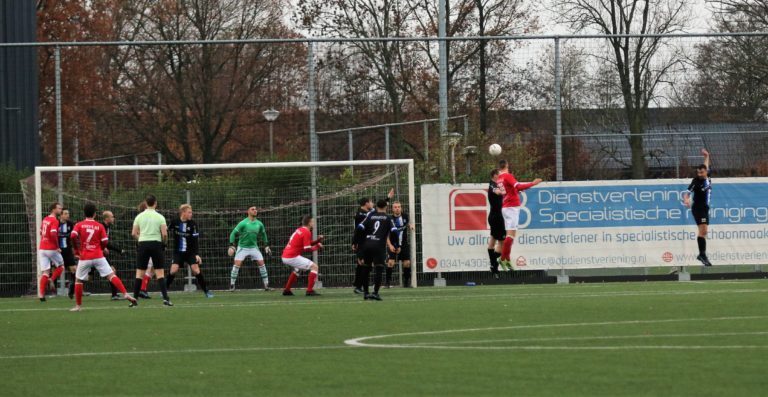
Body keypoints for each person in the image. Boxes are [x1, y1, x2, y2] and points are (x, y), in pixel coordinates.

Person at [69, 203, 136, 311]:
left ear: (84, 213)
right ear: (95, 214)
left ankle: (78, 306)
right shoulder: (99, 226)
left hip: (85, 256)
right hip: (98, 255)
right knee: (111, 275)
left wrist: (77, 250)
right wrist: (100, 248)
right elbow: (105, 241)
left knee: (78, 280)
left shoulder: (79, 224)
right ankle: (125, 294)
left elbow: (72, 236)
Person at [496, 160, 542, 270]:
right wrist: (533, 183)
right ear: (507, 165)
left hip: (506, 207)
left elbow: (507, 191)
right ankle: (502, 259)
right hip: (511, 208)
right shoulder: (508, 176)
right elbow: (518, 186)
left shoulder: (499, 178)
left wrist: (515, 193)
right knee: (510, 236)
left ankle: (506, 259)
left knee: (510, 235)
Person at [354, 199, 399, 301]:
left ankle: (366, 293)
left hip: (367, 244)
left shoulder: (370, 216)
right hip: (379, 246)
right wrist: (396, 245)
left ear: (377, 207)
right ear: (386, 207)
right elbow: (394, 231)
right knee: (378, 269)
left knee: (366, 268)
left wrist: (356, 242)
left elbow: (360, 227)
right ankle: (375, 293)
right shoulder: (388, 218)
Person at [131, 194, 171, 307]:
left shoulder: (139, 216)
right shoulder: (160, 217)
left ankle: (134, 300)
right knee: (159, 273)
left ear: (146, 203)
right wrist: (164, 243)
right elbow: (164, 234)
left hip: (143, 244)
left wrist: (141, 239)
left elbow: (133, 233)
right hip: (156, 244)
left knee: (139, 273)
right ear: (155, 203)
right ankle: (166, 299)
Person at [167, 204, 213, 298]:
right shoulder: (174, 222)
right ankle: (164, 290)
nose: (191, 214)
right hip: (178, 252)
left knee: (196, 270)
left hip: (190, 252)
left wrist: (197, 254)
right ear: (183, 213)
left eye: (191, 212)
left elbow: (195, 241)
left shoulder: (193, 224)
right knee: (173, 270)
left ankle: (206, 291)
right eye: (189, 212)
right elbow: (166, 231)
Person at [228, 206, 271, 291]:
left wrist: (266, 245)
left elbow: (263, 234)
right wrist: (231, 245)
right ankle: (232, 285)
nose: (255, 210)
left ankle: (266, 285)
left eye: (256, 209)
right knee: (237, 264)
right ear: (248, 211)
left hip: (254, 247)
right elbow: (233, 233)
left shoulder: (259, 224)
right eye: (253, 209)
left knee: (261, 263)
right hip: (242, 247)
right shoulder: (243, 223)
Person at [683, 148, 713, 266]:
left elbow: (705, 165)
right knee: (703, 231)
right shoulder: (696, 181)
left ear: (706, 172)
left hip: (705, 208)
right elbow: (688, 192)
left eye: (702, 172)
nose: (699, 174)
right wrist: (686, 199)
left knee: (704, 231)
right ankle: (702, 254)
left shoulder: (708, 175)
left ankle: (702, 254)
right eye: (698, 172)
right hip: (698, 208)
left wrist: (706, 156)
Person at [281, 215, 323, 297]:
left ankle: (287, 290)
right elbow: (307, 248)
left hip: (286, 255)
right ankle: (309, 291)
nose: (314, 223)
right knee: (314, 267)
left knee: (297, 270)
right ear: (309, 223)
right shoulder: (307, 232)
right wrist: (317, 247)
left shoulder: (300, 229)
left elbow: (307, 243)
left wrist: (317, 241)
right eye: (313, 222)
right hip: (291, 256)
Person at [38, 202, 64, 302]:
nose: (60, 210)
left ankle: (41, 294)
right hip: (51, 248)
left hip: (42, 248)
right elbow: (53, 234)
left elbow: (41, 232)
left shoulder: (45, 219)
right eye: (59, 208)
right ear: (53, 209)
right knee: (61, 266)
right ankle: (51, 279)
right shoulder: (54, 220)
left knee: (45, 272)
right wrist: (57, 247)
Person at [386, 201, 413, 288]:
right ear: (392, 209)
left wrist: (410, 225)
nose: (397, 208)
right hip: (393, 244)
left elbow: (406, 223)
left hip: (403, 244)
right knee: (390, 263)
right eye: (395, 207)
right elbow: (386, 234)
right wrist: (390, 245)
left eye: (399, 207)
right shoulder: (389, 219)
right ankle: (387, 283)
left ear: (401, 208)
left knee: (407, 263)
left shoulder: (405, 216)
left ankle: (406, 283)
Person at [101, 210, 126, 300]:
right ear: (106, 218)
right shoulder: (102, 227)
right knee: (112, 271)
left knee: (112, 271)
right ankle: (114, 294)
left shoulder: (107, 227)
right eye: (112, 217)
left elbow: (105, 242)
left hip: (100, 255)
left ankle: (114, 294)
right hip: (97, 255)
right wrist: (119, 250)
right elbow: (102, 241)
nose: (113, 218)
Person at [486, 169, 505, 278]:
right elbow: (497, 191)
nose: (501, 176)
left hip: (495, 216)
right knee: (502, 243)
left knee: (493, 241)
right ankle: (494, 266)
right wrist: (506, 191)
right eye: (499, 175)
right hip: (496, 217)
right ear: (494, 175)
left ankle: (493, 267)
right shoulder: (492, 185)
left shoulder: (497, 184)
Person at [58, 208, 78, 299]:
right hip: (57, 251)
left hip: (68, 250)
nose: (67, 215)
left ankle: (72, 288)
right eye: (65, 213)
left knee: (74, 269)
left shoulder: (70, 224)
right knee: (54, 271)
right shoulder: (56, 223)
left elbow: (74, 236)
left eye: (68, 213)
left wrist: (74, 248)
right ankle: (50, 291)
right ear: (61, 215)